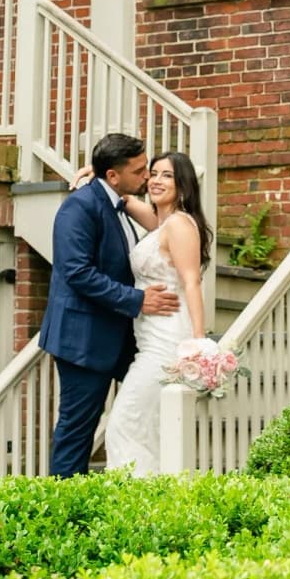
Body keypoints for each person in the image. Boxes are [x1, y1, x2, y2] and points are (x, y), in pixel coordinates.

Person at [37, 132, 180, 477]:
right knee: (78, 428)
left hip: (121, 336)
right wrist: (138, 300)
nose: (146, 176)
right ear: (114, 176)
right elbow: (76, 272)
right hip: (83, 339)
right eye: (139, 170)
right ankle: (64, 506)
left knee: (143, 410)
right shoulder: (79, 206)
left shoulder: (118, 200)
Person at [93, 149, 212, 475]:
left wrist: (198, 343)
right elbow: (130, 202)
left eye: (167, 175)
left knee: (124, 422)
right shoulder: (162, 223)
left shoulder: (179, 225)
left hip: (167, 340)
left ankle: (135, 497)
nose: (157, 180)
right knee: (146, 427)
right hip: (150, 338)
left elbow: (191, 282)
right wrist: (97, 176)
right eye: (154, 173)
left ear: (183, 184)